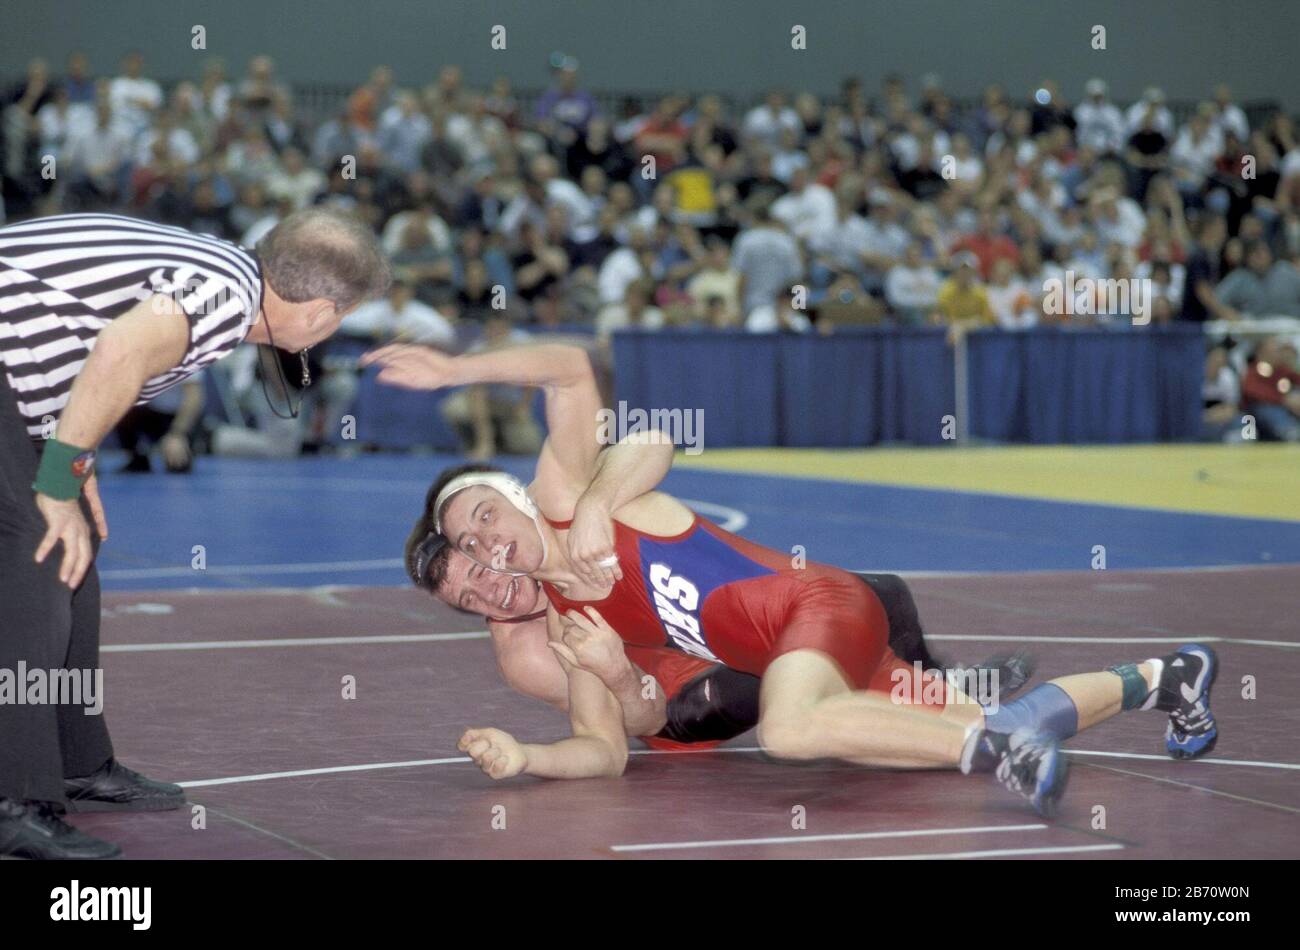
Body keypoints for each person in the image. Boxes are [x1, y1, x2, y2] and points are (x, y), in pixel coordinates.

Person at [366, 343, 1219, 815]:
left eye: (483, 518)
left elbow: (606, 399)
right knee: (958, 717)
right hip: (806, 649)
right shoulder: (562, 628)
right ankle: (1163, 678)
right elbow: (608, 745)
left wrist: (455, 374)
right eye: (469, 555)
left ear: (514, 499)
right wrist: (531, 751)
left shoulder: (567, 494)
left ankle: (997, 753)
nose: (486, 552)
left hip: (818, 606)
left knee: (792, 729)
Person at [0, 207, 389, 859]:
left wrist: (74, 458)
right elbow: (118, 349)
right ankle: (14, 800)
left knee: (73, 549)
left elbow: (74, 344)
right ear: (323, 312)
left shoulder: (220, 274)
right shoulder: (221, 294)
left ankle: (76, 759)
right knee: (34, 554)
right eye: (340, 318)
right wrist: (57, 482)